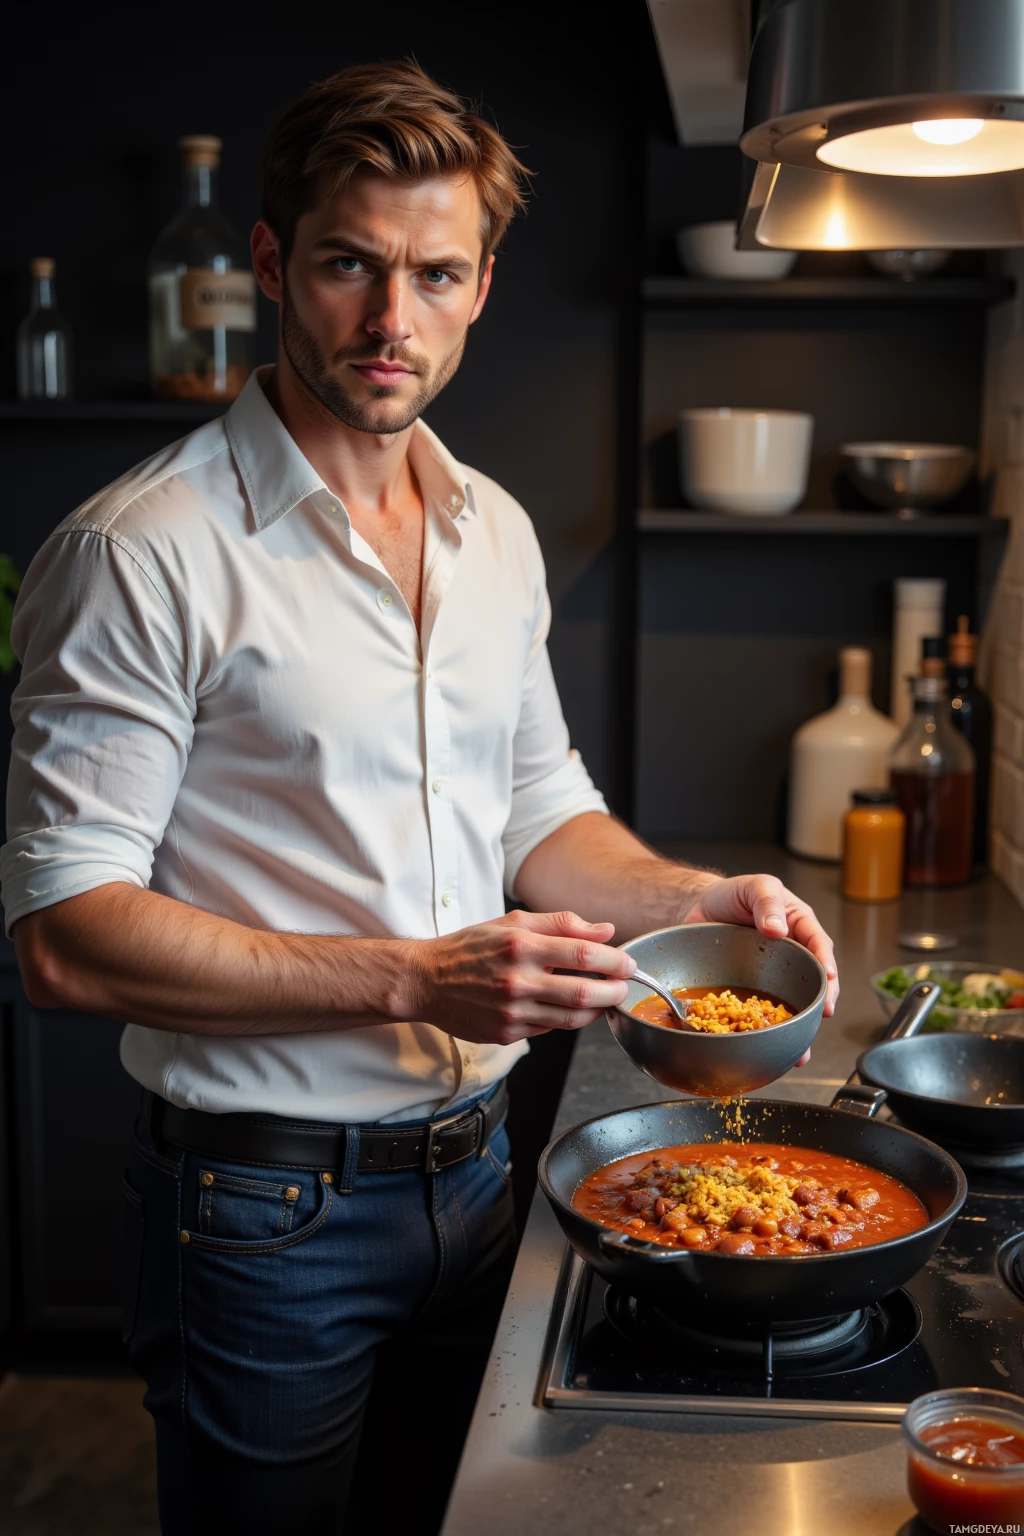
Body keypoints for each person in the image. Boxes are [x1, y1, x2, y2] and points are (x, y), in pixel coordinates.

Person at [1, 59, 838, 1536]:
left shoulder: (492, 527)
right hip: (263, 1215)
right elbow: (65, 937)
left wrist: (703, 902)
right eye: (350, 266)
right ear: (272, 263)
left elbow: (540, 816)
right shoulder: (144, 549)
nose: (393, 322)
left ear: (482, 286)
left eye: (435, 275)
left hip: (484, 1184)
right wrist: (421, 974)